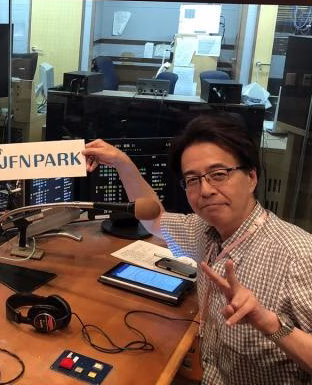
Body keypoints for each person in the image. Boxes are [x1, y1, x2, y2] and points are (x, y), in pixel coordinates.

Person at [83, 113, 312, 384]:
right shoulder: (203, 231)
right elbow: (154, 218)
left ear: (251, 177)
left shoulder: (298, 256)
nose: (205, 190)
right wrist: (122, 162)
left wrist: (270, 324)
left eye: (219, 174)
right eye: (193, 180)